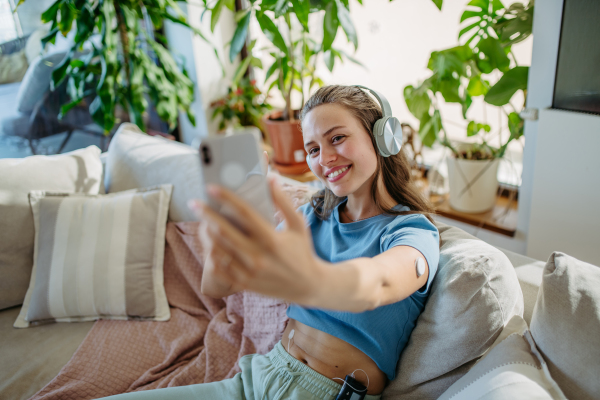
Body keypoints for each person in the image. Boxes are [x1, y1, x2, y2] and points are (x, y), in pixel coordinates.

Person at [102, 85, 440, 400]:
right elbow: (218, 285)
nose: (324, 159)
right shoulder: (312, 216)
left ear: (383, 137)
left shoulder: (411, 231)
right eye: (313, 149)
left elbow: (377, 283)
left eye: (337, 138)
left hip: (325, 392)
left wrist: (309, 277)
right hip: (258, 375)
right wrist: (231, 231)